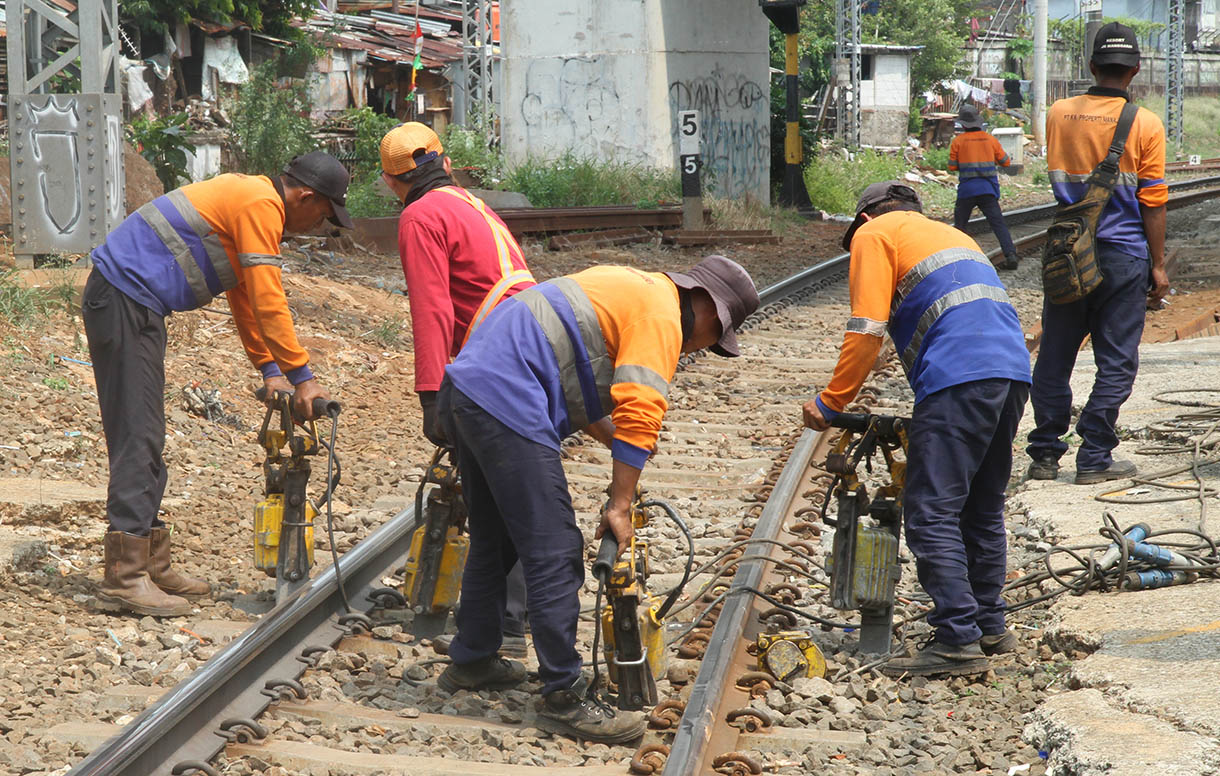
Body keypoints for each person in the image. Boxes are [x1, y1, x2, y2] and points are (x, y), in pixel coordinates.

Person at [435, 257, 759, 742]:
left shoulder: (633, 285)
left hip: (469, 388)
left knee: (496, 540)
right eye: (719, 333)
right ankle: (562, 695)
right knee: (556, 550)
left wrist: (614, 443)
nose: (709, 344)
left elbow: (569, 370)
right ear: (708, 307)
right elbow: (642, 404)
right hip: (505, 394)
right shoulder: (662, 314)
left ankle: (473, 660)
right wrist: (620, 502)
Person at [84, 152, 349, 617]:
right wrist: (302, 377)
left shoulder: (252, 200)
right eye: (323, 215)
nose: (318, 226)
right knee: (137, 435)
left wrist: (270, 370)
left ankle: (148, 560)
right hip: (124, 301)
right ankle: (124, 577)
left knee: (148, 433)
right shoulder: (259, 204)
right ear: (305, 196)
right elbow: (269, 298)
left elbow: (244, 294)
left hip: (134, 304)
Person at [802, 181, 1031, 676]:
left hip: (959, 377)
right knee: (981, 505)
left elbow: (866, 331)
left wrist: (831, 401)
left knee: (931, 511)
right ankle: (990, 626)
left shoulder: (874, 234)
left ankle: (956, 640)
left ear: (864, 218)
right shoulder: (953, 236)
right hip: (1011, 372)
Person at [379, 122, 535, 656]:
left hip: (495, 363)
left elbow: (432, 307)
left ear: (393, 183)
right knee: (516, 486)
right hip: (529, 346)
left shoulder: (420, 215)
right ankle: (516, 615)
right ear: (445, 164)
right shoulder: (470, 202)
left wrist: (431, 393)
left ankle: (505, 627)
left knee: (494, 494)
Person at [1026, 21, 1168, 485]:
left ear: (1091, 66)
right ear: (1135, 70)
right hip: (1123, 256)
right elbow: (1153, 201)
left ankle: (1045, 453)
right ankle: (1094, 457)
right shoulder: (1145, 123)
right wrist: (1159, 265)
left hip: (1068, 251)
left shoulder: (1059, 112)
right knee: (1117, 360)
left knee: (1055, 355)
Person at [949, 104, 1019, 270]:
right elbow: (1006, 162)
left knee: (959, 228)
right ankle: (1010, 255)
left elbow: (952, 166)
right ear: (978, 122)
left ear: (963, 125)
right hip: (988, 190)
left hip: (966, 191)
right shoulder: (990, 140)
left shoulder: (958, 141)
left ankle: (956, 261)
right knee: (998, 225)